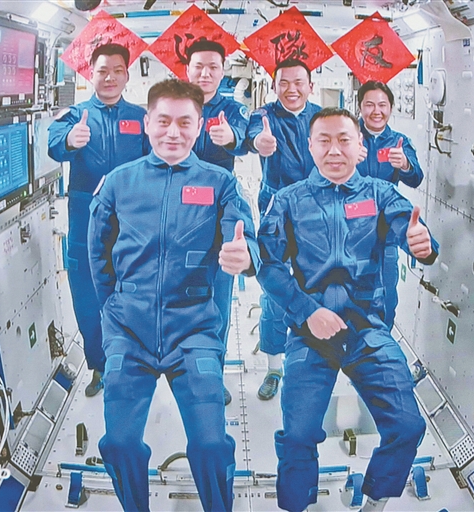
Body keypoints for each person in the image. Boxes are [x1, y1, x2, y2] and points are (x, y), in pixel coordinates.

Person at [88, 79, 260, 512]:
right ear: (147, 123)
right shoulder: (118, 183)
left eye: (185, 123)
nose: (173, 132)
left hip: (194, 329)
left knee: (211, 444)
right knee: (119, 442)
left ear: (199, 127)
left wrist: (246, 255)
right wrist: (113, 309)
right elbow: (97, 252)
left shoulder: (220, 183)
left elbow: (243, 235)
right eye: (163, 121)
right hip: (128, 330)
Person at [256, 108, 439, 512]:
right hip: (310, 332)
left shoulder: (380, 194)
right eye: (324, 141)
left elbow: (407, 227)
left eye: (344, 140)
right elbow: (268, 265)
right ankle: (299, 504)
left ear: (360, 147)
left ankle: (375, 501)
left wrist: (421, 244)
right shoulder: (288, 201)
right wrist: (306, 311)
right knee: (298, 435)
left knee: (408, 425)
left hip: (366, 330)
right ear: (310, 146)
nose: (334, 150)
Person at [48, 43, 150, 397]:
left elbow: (156, 161)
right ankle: (100, 366)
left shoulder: (140, 117)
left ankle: (132, 363)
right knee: (88, 298)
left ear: (127, 75)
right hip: (86, 221)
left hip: (131, 221)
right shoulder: (75, 115)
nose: (110, 77)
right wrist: (70, 141)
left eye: (117, 70)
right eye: (102, 70)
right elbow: (53, 144)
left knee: (133, 293)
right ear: (90, 73)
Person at [245, 58, 321, 401]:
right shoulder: (264, 117)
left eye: (298, 82)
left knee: (316, 286)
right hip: (276, 212)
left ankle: (309, 362)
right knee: (275, 291)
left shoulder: (323, 118)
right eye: (284, 83)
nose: (291, 89)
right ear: (274, 86)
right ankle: (274, 367)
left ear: (310, 86)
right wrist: (258, 143)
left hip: (317, 212)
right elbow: (252, 136)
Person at [185, 39, 251, 406]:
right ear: (187, 69)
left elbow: (243, 138)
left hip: (219, 212)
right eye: (199, 65)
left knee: (218, 301)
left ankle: (215, 373)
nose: (205, 73)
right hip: (179, 214)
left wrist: (232, 138)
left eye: (213, 66)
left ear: (223, 71)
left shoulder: (232, 109)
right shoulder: (175, 105)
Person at [355, 80, 424, 329]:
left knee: (386, 296)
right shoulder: (347, 138)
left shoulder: (398, 142)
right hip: (349, 228)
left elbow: (416, 178)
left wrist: (405, 164)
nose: (377, 111)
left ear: (391, 108)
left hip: (384, 231)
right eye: (370, 104)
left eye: (382, 105)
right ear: (360, 107)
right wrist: (346, 159)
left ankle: (381, 341)